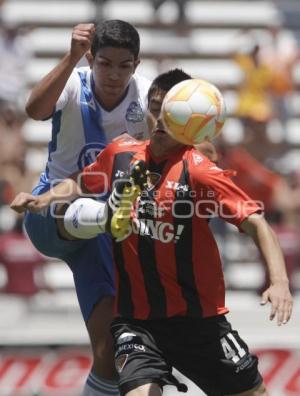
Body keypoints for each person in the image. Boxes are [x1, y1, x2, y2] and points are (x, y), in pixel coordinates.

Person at [12, 69, 293, 396]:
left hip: (198, 323)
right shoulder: (120, 154)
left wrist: (280, 283)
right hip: (137, 322)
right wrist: (44, 197)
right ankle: (109, 215)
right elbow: (80, 181)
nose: (159, 118)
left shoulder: (199, 170)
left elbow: (257, 222)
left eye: (169, 112)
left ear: (188, 122)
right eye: (155, 109)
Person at [20, 20, 151, 396]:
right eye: (105, 63)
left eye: (124, 66)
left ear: (136, 65)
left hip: (102, 237)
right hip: (52, 211)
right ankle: (110, 214)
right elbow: (33, 109)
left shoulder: (146, 96)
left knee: (109, 354)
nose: (113, 74)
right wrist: (71, 56)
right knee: (104, 212)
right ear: (92, 58)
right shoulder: (74, 81)